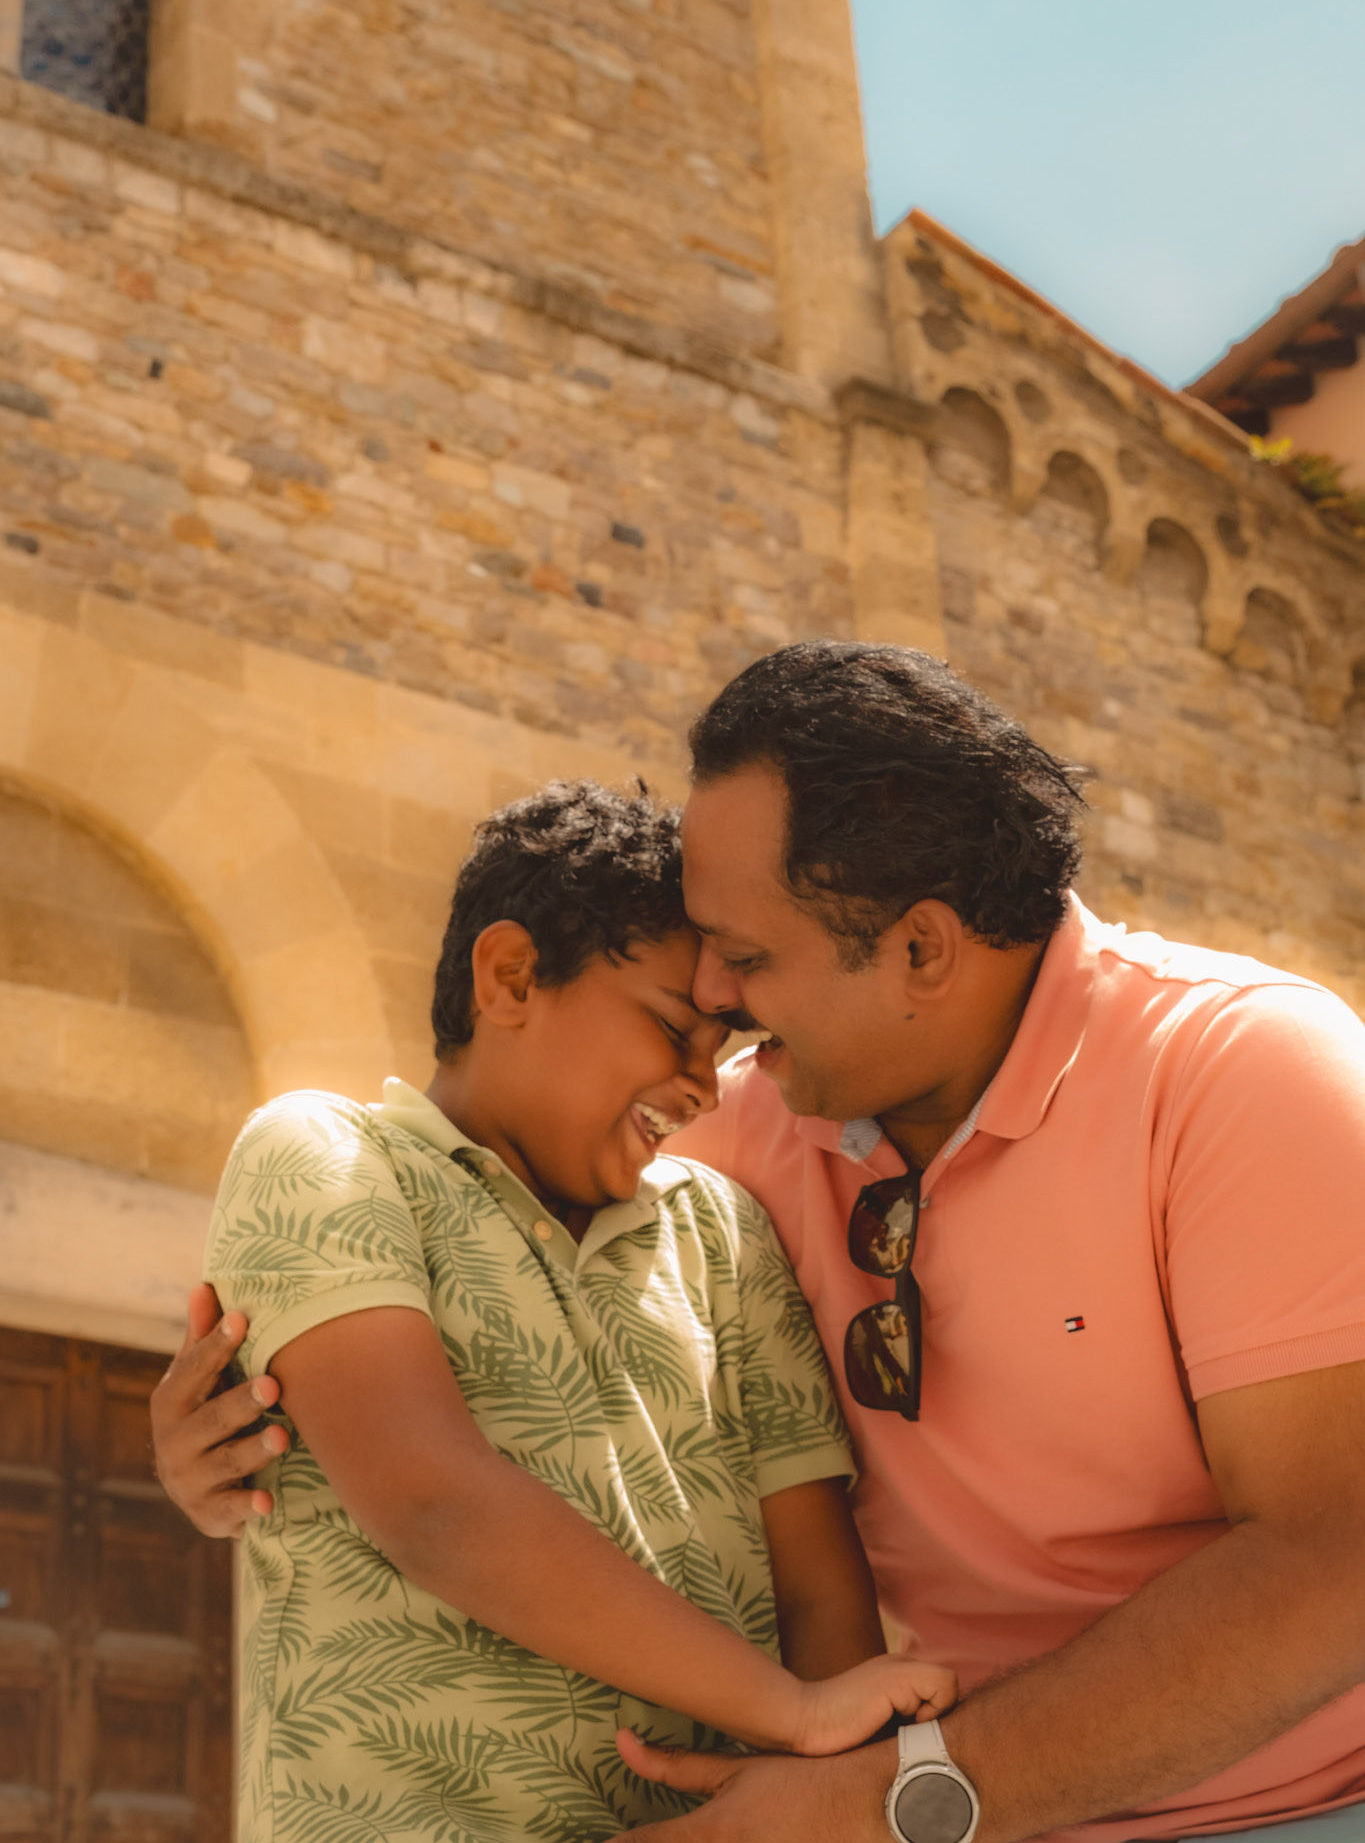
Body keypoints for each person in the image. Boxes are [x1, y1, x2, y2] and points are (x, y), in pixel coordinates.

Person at [155, 643, 1365, 1843]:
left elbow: (1337, 1558)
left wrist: (888, 1794)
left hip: (1280, 1809)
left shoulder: (1245, 1073)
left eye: (744, 957)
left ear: (922, 949)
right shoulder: (740, 1130)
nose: (716, 1007)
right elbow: (470, 1187)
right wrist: (253, 1424)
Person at [187, 777, 954, 1843]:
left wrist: (833, 1774)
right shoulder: (326, 1155)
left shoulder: (725, 1232)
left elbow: (818, 1595)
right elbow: (434, 1506)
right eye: (674, 1027)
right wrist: (789, 1710)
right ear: (510, 976)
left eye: (721, 1047)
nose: (705, 1085)